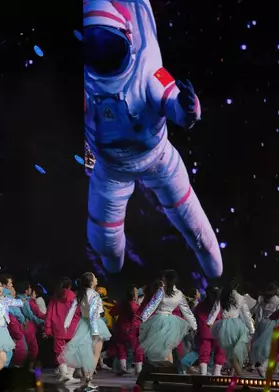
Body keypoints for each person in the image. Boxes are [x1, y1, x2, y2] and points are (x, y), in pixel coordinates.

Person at [82, 0, 222, 279]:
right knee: (105, 243)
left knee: (193, 224)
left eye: (108, 45)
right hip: (111, 170)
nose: (103, 52)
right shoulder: (85, 82)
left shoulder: (147, 70)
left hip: (158, 159)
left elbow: (173, 102)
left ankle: (214, 269)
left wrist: (188, 106)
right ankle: (115, 270)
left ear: (128, 40)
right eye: (94, 47)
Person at [60, 273, 111, 389]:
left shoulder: (80, 294)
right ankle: (88, 379)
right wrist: (95, 331)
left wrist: (66, 324)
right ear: (91, 282)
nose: (97, 279)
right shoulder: (94, 294)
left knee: (86, 351)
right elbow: (93, 314)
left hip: (83, 323)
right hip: (95, 324)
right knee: (95, 354)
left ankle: (84, 375)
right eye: (95, 278)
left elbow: (72, 309)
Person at [139, 270, 197, 363]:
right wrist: (194, 325)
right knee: (167, 349)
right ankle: (168, 371)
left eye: (163, 277)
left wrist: (143, 317)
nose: (162, 278)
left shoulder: (161, 290)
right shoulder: (179, 293)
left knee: (161, 349)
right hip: (171, 323)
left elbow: (153, 304)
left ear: (166, 278)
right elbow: (186, 310)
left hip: (159, 321)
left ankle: (164, 371)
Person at [206, 279, 255, 376]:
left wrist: (209, 321)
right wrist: (252, 328)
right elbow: (246, 315)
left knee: (231, 352)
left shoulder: (222, 296)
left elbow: (215, 309)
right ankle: (238, 374)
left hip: (225, 326)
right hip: (238, 325)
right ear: (237, 286)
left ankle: (236, 373)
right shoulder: (240, 297)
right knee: (236, 351)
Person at [45, 277, 80, 383]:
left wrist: (48, 329)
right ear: (70, 286)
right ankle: (70, 375)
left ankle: (64, 374)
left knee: (59, 352)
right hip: (72, 328)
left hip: (58, 329)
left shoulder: (55, 298)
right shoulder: (75, 297)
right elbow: (78, 314)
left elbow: (48, 315)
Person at [250, 283, 279, 377]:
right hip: (272, 323)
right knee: (271, 347)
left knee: (260, 346)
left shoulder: (263, 299)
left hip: (262, 323)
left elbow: (256, 311)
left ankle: (259, 364)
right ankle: (263, 366)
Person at [193, 285, 225, 376]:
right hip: (217, 331)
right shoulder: (220, 304)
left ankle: (203, 372)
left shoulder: (201, 305)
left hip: (205, 331)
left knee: (204, 350)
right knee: (220, 350)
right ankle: (216, 372)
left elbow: (195, 315)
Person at [109, 285, 141, 375]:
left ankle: (123, 368)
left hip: (121, 329)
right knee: (136, 349)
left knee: (121, 348)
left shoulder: (120, 304)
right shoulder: (136, 306)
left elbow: (112, 313)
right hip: (133, 330)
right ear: (134, 295)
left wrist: (115, 325)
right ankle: (138, 369)